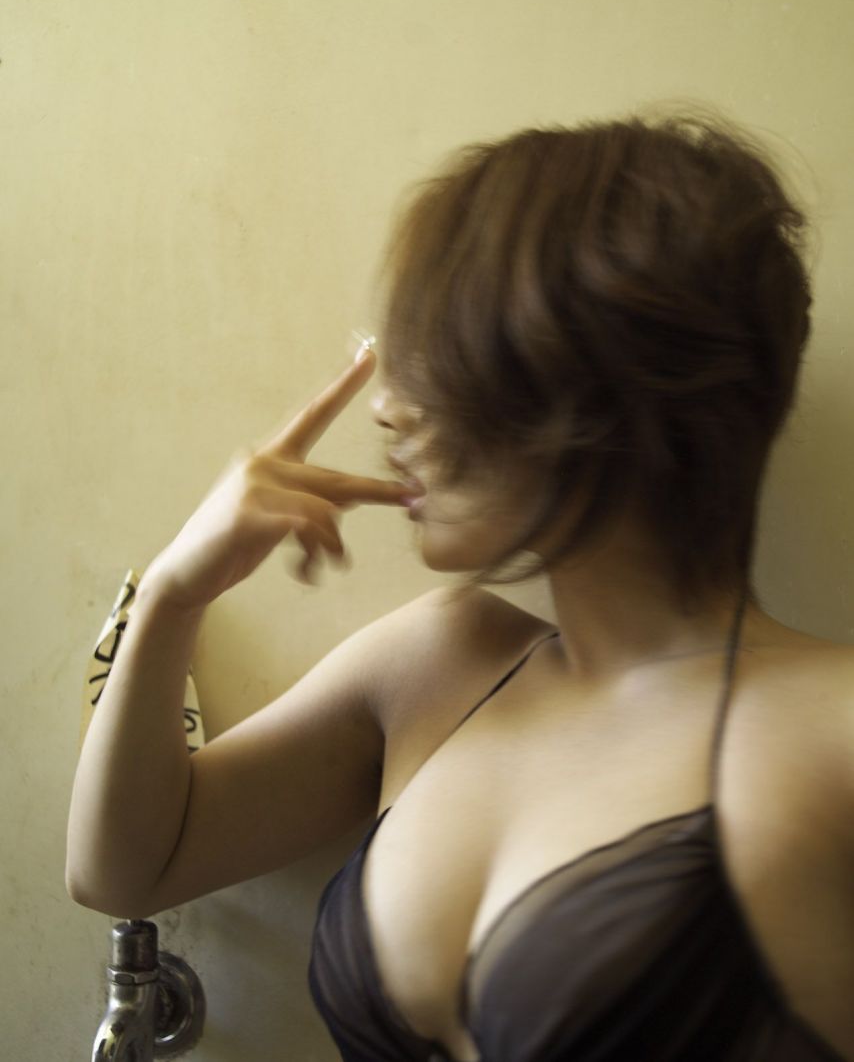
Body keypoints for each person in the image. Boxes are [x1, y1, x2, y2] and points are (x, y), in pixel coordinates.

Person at [66, 107, 854, 1062]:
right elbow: (123, 870)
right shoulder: (437, 665)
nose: (389, 408)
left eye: (446, 349)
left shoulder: (833, 730)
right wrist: (175, 595)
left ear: (588, 375)